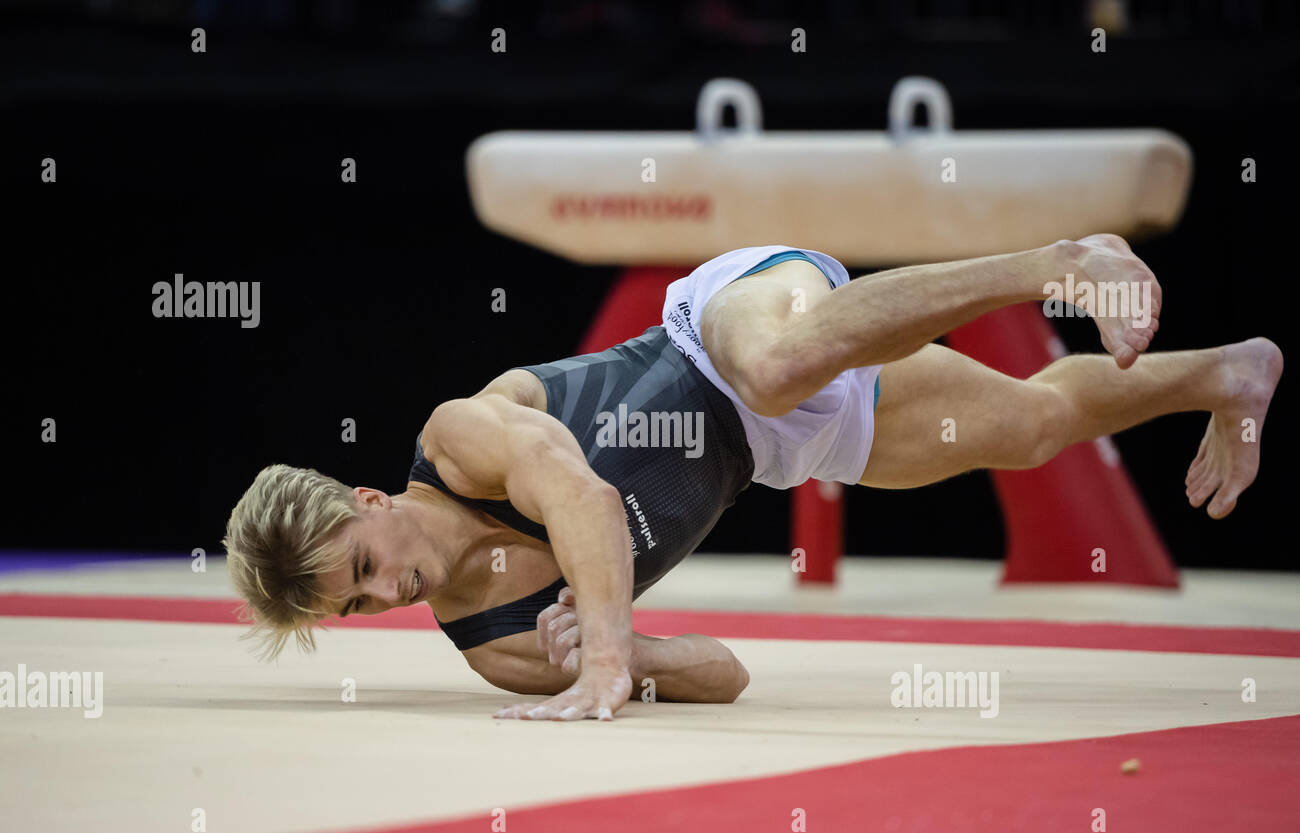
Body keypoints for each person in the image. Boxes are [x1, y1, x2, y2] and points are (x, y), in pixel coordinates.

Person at [223, 237, 1282, 721]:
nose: (385, 595)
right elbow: (723, 672)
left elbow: (585, 497)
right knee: (1035, 425)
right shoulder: (497, 649)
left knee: (775, 369)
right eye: (355, 606)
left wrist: (596, 653)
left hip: (720, 331)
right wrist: (634, 652)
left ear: (369, 500)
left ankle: (1056, 262)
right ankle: (1227, 371)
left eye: (362, 564)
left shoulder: (459, 441)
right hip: (783, 451)